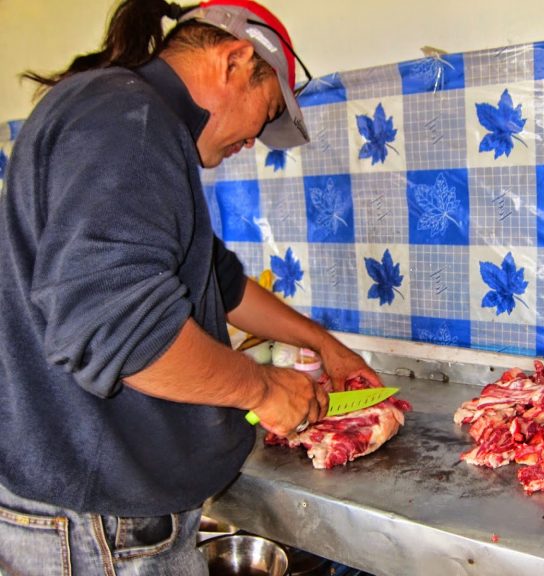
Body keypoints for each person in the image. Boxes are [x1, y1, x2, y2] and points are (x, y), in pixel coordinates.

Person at [0, 0, 380, 573]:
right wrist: (261, 389)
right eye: (267, 109)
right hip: (97, 528)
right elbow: (120, 335)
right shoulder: (129, 121)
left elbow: (219, 282)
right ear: (235, 60)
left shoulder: (126, 115)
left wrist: (326, 345)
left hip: (93, 513)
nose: (253, 140)